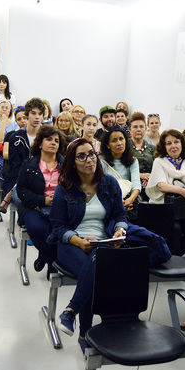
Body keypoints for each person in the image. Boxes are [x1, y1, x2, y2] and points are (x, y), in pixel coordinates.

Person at [50, 138, 129, 352]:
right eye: (81, 156)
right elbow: (57, 226)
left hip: (102, 241)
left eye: (91, 154)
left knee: (96, 260)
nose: (89, 160)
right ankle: (85, 332)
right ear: (72, 162)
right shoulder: (65, 187)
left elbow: (121, 215)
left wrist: (119, 230)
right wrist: (78, 240)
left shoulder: (109, 183)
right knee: (93, 266)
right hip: (71, 243)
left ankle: (71, 313)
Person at [16, 125, 65, 272]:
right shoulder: (29, 164)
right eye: (49, 139)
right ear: (40, 144)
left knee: (58, 231)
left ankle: (46, 257)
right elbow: (21, 190)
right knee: (38, 228)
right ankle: (50, 260)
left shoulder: (66, 165)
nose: (53, 143)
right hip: (35, 207)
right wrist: (43, 200)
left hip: (60, 208)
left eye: (56, 140)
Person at [147, 129, 185, 254]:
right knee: (175, 228)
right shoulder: (159, 161)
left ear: (182, 143)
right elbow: (161, 186)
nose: (173, 146)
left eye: (176, 142)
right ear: (164, 146)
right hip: (163, 208)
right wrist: (184, 192)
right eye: (169, 143)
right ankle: (173, 262)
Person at [1, 98, 45, 205]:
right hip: (19, 181)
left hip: (44, 179)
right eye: (33, 113)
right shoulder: (16, 137)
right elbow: (15, 166)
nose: (37, 117)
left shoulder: (47, 136)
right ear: (27, 115)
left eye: (40, 114)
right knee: (23, 200)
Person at [99, 127, 141, 212]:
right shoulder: (101, 162)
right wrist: (118, 202)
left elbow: (136, 185)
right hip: (108, 201)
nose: (119, 143)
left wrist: (129, 201)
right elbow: (100, 186)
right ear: (107, 145)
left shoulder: (133, 160)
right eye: (114, 141)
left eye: (121, 139)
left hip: (128, 200)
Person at [0, 106, 28, 214]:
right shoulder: (12, 135)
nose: (23, 121)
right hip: (14, 168)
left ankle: (7, 198)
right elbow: (6, 154)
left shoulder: (38, 135)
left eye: (25, 117)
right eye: (19, 119)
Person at [129, 112, 155, 191]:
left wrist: (150, 178)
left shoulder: (152, 148)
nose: (138, 129)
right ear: (130, 130)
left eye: (141, 127)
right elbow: (121, 170)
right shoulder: (124, 147)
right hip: (130, 185)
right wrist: (140, 175)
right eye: (135, 127)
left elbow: (158, 168)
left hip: (151, 185)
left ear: (146, 129)